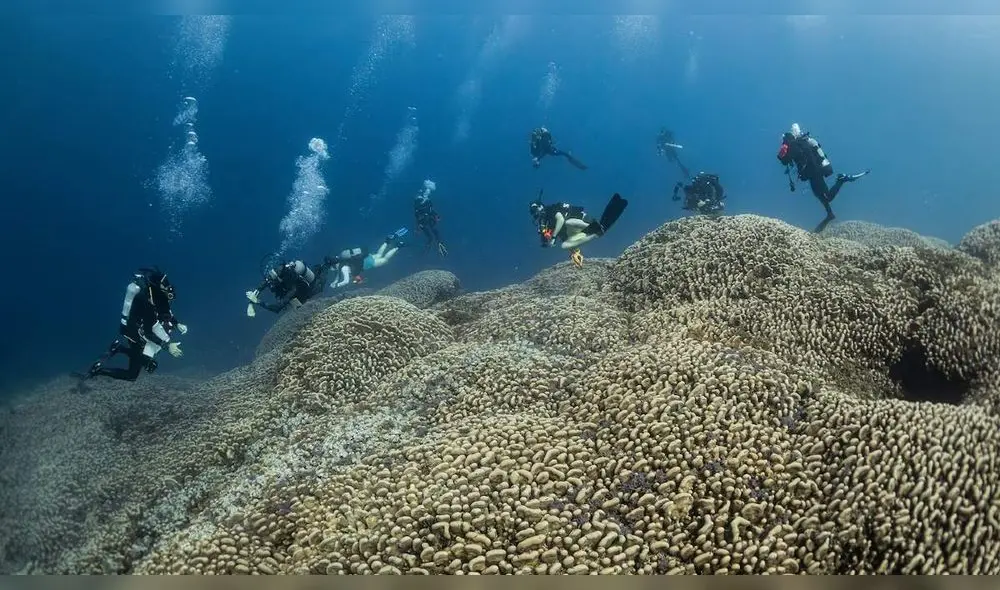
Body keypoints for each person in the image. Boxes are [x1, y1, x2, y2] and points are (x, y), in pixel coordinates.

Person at [87, 267, 186, 382]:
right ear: (156, 286)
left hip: (141, 329)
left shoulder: (158, 295)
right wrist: (167, 346)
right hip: (133, 332)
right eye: (164, 284)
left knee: (143, 358)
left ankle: (118, 348)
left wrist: (177, 324)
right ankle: (98, 370)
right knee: (133, 374)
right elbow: (149, 333)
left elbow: (166, 312)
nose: (168, 288)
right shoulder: (146, 302)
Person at [777, 123, 870, 233]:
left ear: (787, 139)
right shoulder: (800, 143)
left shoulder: (794, 145)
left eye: (784, 141)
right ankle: (829, 214)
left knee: (827, 196)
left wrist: (781, 155)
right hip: (814, 171)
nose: (784, 143)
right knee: (819, 194)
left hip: (814, 172)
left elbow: (786, 160)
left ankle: (841, 180)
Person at [529, 191, 629, 267]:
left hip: (582, 222)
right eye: (532, 212)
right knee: (564, 245)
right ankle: (597, 232)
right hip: (576, 231)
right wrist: (574, 253)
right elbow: (564, 237)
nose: (535, 213)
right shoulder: (545, 223)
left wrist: (554, 237)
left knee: (569, 222)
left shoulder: (551, 210)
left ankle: (597, 228)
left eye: (535, 209)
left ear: (541, 206)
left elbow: (560, 219)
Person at [246, 259, 331, 317]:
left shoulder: (292, 288)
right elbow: (263, 284)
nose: (270, 283)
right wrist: (251, 304)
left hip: (311, 289)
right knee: (317, 271)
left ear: (279, 280)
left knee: (320, 284)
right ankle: (321, 266)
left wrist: (257, 301)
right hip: (300, 282)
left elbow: (277, 308)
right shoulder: (277, 274)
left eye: (272, 282)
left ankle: (328, 263)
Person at [329, 228, 407, 289]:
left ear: (333, 267)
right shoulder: (341, 262)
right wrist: (334, 282)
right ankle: (387, 241)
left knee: (385, 260)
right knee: (378, 254)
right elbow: (338, 276)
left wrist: (337, 285)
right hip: (365, 257)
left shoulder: (343, 269)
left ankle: (398, 246)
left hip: (367, 264)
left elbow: (346, 281)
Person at [415, 192, 447, 257]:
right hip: (428, 220)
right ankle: (438, 242)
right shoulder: (426, 204)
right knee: (434, 230)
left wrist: (418, 227)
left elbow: (418, 217)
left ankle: (431, 243)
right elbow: (432, 211)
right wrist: (436, 216)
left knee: (430, 234)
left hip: (425, 221)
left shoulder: (419, 205)